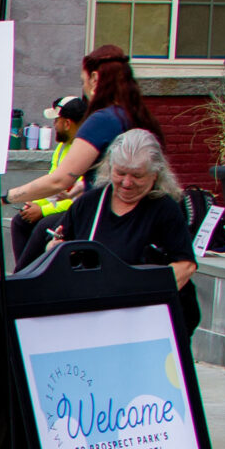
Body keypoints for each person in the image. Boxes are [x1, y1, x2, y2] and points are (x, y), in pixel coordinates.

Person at [46, 128, 199, 337]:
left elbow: (185, 265)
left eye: (137, 176)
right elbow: (58, 243)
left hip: (150, 324)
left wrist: (137, 296)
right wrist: (55, 249)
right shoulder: (89, 203)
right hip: (94, 320)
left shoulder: (165, 209)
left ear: (155, 174)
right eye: (120, 173)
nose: (127, 183)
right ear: (110, 168)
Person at [6, 45, 163, 215]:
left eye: (83, 81)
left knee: (42, 238)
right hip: (141, 213)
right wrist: (80, 187)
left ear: (95, 79)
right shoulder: (136, 115)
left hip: (105, 214)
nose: (84, 88)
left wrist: (8, 197)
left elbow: (59, 181)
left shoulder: (102, 121)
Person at [11, 96, 90, 266]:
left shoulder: (84, 150)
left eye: (56, 121)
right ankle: (24, 272)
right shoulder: (61, 148)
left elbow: (77, 198)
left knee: (43, 227)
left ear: (67, 123)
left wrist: (43, 211)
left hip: (77, 210)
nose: (54, 126)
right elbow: (51, 184)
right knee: (20, 221)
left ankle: (23, 276)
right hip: (58, 204)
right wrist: (34, 204)